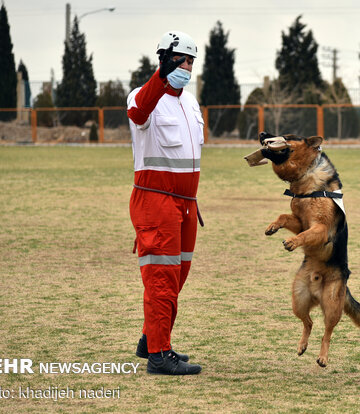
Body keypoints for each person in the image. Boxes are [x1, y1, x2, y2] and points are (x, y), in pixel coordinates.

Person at [126, 30, 205, 376]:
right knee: (162, 276)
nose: (186, 67)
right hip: (156, 201)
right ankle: (159, 355)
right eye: (180, 60)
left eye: (190, 61)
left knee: (178, 275)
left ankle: (150, 337)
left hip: (187, 204)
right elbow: (139, 112)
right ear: (163, 60)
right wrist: (159, 76)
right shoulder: (143, 96)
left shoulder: (190, 101)